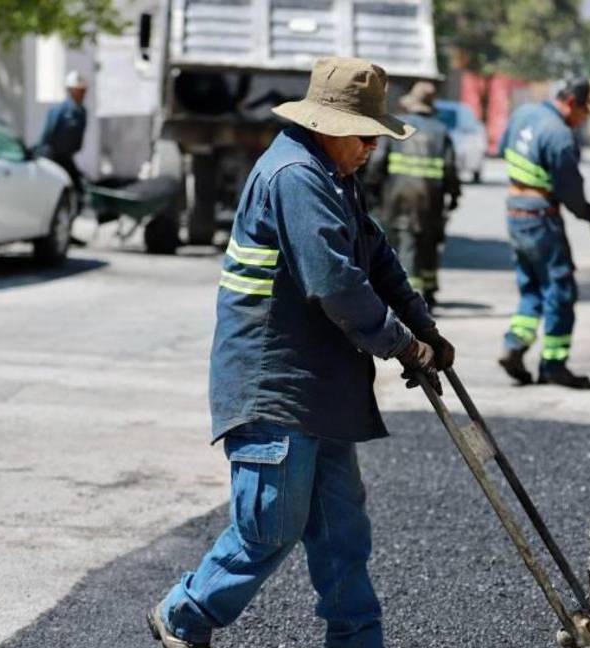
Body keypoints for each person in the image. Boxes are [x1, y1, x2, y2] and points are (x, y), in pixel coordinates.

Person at [147, 57, 455, 648]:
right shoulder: (295, 176)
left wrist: (426, 330)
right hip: (274, 383)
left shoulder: (334, 174)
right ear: (328, 125)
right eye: (364, 134)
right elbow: (335, 283)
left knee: (343, 533)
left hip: (325, 383)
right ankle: (183, 616)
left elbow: (377, 257)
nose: (371, 145)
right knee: (269, 528)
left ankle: (357, 640)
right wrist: (403, 346)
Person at [496, 77, 590, 389]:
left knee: (531, 287)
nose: (583, 120)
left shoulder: (523, 114)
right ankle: (554, 365)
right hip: (542, 218)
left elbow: (504, 148)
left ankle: (514, 343)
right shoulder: (560, 136)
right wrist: (584, 210)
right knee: (560, 289)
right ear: (571, 102)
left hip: (515, 212)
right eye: (584, 112)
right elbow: (571, 190)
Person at [364, 81, 460, 308]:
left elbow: (377, 162)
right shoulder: (440, 131)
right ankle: (427, 289)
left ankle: (411, 295)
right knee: (426, 245)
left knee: (404, 244)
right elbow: (449, 169)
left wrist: (369, 188)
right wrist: (454, 196)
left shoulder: (396, 126)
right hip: (430, 201)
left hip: (396, 198)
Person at [37, 71, 89, 212]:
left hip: (67, 157)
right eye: (80, 91)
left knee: (79, 188)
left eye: (84, 91)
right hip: (53, 156)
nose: (83, 94)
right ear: (71, 91)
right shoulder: (59, 110)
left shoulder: (82, 112)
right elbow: (47, 134)